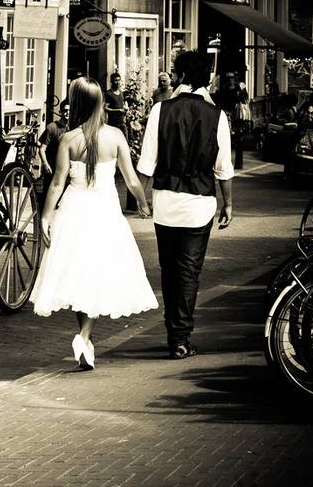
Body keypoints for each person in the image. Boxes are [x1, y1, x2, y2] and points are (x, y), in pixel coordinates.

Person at [30, 77, 157, 371]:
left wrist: (46, 217)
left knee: (77, 275)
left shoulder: (68, 140)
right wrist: (142, 201)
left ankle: (85, 340)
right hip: (104, 212)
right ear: (100, 103)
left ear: (75, 104)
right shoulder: (114, 137)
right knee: (96, 276)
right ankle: (84, 337)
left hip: (74, 209)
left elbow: (57, 183)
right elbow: (132, 179)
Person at [136, 50, 234, 360]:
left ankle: (173, 331)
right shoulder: (217, 115)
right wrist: (228, 203)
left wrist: (141, 199)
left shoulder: (160, 111)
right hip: (199, 204)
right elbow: (223, 167)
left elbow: (147, 163)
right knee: (189, 271)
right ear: (207, 78)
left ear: (179, 76)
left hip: (166, 201)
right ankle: (180, 337)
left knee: (168, 269)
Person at [38, 99, 69, 199]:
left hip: (68, 169)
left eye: (70, 110)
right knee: (49, 196)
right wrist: (45, 164)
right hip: (52, 168)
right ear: (60, 112)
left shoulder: (74, 128)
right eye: (65, 111)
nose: (67, 113)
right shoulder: (52, 127)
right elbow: (42, 149)